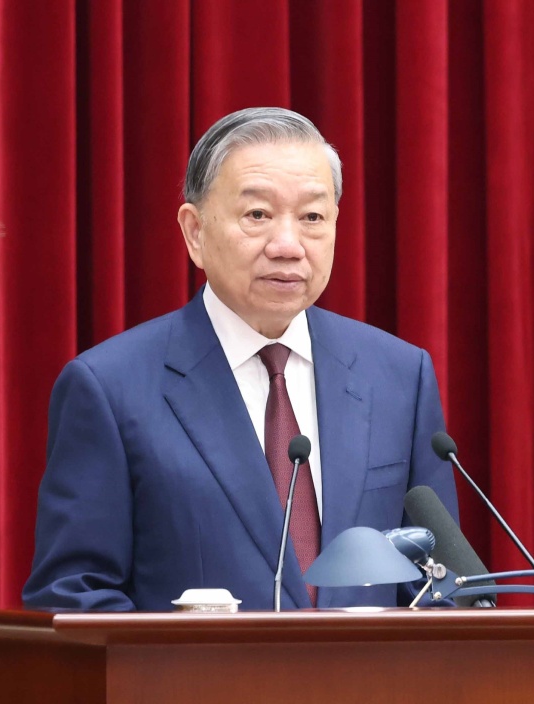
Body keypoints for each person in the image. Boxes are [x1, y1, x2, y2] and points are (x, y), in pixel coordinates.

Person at [23, 107, 459, 611]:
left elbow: (443, 587)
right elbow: (73, 597)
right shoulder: (109, 388)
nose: (288, 246)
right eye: (257, 215)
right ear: (195, 232)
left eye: (312, 217)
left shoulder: (399, 377)